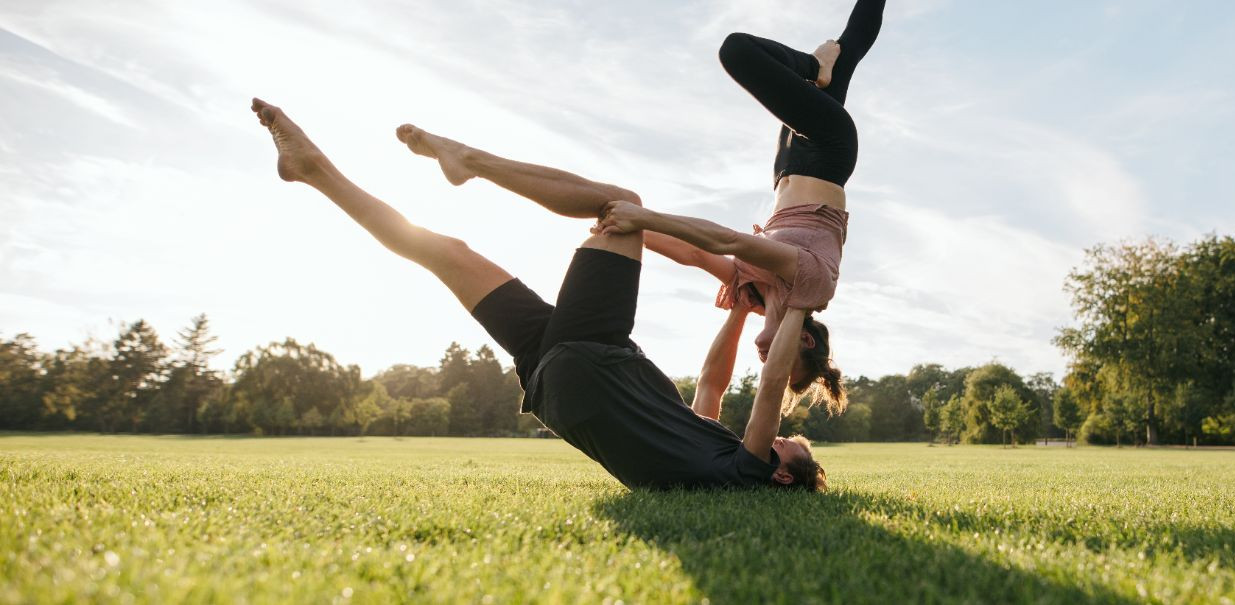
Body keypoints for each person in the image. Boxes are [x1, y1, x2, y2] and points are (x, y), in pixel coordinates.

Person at [248, 98, 825, 491]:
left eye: (785, 446)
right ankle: (314, 170)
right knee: (445, 253)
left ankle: (469, 161)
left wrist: (798, 298)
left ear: (780, 475)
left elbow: (772, 384)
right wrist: (740, 309)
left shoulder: (746, 473)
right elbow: (710, 385)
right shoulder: (712, 455)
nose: (776, 437)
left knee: (619, 204)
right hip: (556, 387)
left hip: (597, 357)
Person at [599, 0, 885, 421]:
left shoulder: (751, 293)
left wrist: (614, 224)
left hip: (788, 167)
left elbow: (696, 254)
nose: (768, 366)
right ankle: (812, 62)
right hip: (827, 150)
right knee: (737, 51)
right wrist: (642, 217)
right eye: (781, 366)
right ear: (803, 344)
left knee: (849, 49)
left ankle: (820, 64)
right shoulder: (811, 285)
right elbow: (729, 240)